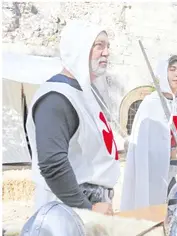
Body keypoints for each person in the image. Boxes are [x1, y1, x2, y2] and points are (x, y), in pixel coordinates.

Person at [24, 20, 120, 215]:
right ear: (79, 48)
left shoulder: (86, 95)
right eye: (99, 45)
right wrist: (88, 207)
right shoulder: (56, 98)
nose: (106, 52)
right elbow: (52, 164)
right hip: (67, 212)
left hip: (93, 205)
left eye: (107, 46)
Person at [122, 54, 177, 211]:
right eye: (172, 69)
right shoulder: (150, 105)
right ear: (163, 73)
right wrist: (171, 153)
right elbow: (142, 150)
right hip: (158, 177)